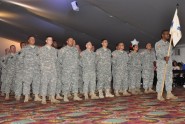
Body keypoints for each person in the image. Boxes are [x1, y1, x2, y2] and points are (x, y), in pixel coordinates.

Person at [155, 30, 177, 101]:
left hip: (169, 65)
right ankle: (159, 94)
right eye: (166, 34)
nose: (168, 35)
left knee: (169, 79)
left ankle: (169, 93)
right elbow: (158, 54)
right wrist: (163, 57)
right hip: (162, 64)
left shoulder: (169, 44)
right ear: (162, 35)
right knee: (161, 79)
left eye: (168, 34)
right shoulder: (158, 43)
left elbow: (170, 53)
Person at [58, 38, 82, 102]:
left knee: (75, 82)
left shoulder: (75, 50)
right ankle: (65, 96)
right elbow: (59, 60)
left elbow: (78, 59)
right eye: (70, 41)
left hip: (75, 69)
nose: (71, 42)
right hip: (67, 69)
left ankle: (75, 96)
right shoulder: (63, 50)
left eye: (72, 41)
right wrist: (65, 66)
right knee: (66, 82)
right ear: (67, 41)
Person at [19, 36, 41, 102]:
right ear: (28, 40)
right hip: (28, 69)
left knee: (36, 82)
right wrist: (25, 65)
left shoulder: (38, 48)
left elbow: (40, 58)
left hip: (36, 69)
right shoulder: (25, 48)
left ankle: (36, 96)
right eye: (31, 39)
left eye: (34, 39)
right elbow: (20, 58)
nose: (33, 40)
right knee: (27, 83)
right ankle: (26, 96)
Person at [39, 37, 60, 104]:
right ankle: (44, 98)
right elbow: (39, 59)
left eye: (51, 40)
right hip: (45, 69)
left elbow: (56, 60)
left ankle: (52, 98)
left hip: (53, 69)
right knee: (44, 84)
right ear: (46, 41)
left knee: (53, 84)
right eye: (49, 40)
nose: (51, 41)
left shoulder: (54, 50)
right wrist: (42, 68)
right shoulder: (42, 49)